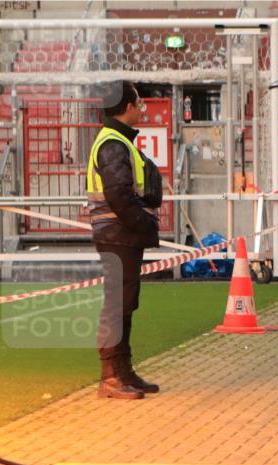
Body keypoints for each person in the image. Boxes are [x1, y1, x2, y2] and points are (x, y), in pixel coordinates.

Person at [86, 81, 163, 399]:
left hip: (121, 235)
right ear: (128, 108)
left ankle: (123, 371)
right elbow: (119, 195)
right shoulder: (113, 144)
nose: (142, 109)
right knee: (116, 305)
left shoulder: (116, 140)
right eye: (139, 104)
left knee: (124, 304)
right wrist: (144, 223)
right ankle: (111, 377)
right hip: (118, 234)